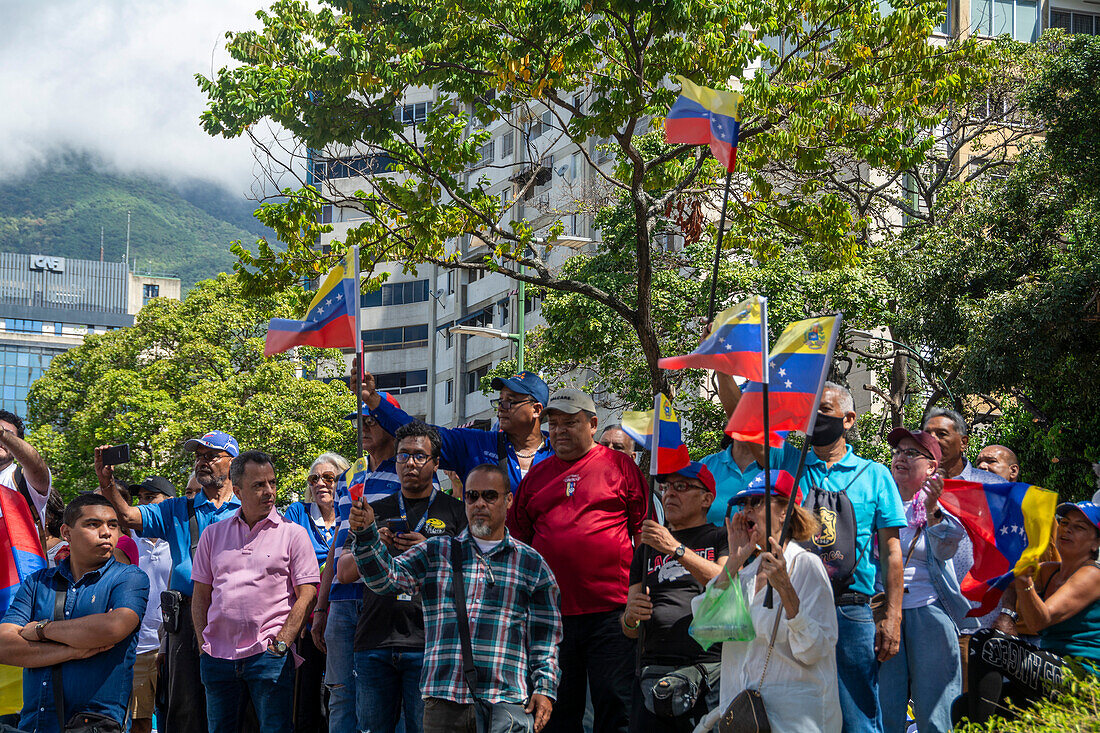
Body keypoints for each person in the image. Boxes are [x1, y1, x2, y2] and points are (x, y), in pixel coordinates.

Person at [349, 463, 563, 733]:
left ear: (508, 500)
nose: (480, 503)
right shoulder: (437, 550)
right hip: (445, 699)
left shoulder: (532, 564)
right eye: (472, 496)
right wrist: (366, 534)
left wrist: (544, 688)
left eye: (490, 496)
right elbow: (384, 580)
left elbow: (546, 640)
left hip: (506, 703)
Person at [769, 381, 905, 733]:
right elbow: (748, 423)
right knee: (800, 715)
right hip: (797, 605)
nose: (816, 418)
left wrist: (893, 617)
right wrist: (726, 366)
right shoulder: (790, 465)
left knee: (858, 717)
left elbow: (892, 552)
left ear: (849, 419)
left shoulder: (876, 475)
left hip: (853, 611)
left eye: (824, 411)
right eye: (811, 411)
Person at [510, 388, 647, 733]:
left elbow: (644, 534)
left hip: (612, 613)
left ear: (593, 424)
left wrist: (639, 592)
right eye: (553, 424)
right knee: (556, 711)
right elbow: (518, 544)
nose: (559, 431)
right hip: (552, 616)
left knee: (615, 707)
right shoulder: (535, 478)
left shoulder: (622, 466)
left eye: (570, 422)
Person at [95, 430, 243, 733]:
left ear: (234, 463)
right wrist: (107, 483)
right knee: (185, 705)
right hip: (187, 617)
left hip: (236, 615)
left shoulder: (247, 508)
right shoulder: (178, 507)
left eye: (211, 455)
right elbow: (128, 517)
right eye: (199, 456)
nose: (202, 462)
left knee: (237, 703)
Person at [336, 422, 466, 733]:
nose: (410, 463)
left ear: (436, 462)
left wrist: (432, 550)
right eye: (403, 455)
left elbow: (471, 573)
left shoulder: (456, 511)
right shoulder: (373, 510)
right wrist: (371, 540)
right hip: (374, 640)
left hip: (429, 644)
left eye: (420, 456)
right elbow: (343, 572)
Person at [697, 470, 841, 733]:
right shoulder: (746, 574)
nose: (747, 511)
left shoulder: (805, 565)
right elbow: (706, 630)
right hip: (746, 721)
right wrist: (734, 561)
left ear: (785, 512)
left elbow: (815, 650)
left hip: (795, 721)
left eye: (758, 502)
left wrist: (786, 589)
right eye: (744, 504)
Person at [192, 450, 320, 733]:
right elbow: (200, 595)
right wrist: (204, 645)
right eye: (259, 485)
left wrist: (283, 643)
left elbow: (308, 594)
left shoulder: (293, 533)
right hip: (218, 658)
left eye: (272, 483)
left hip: (269, 656)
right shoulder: (212, 535)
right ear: (237, 490)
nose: (269, 491)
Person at [0, 494, 149, 733]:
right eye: (93, 524)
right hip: (35, 724)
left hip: (96, 725)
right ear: (66, 532)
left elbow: (113, 627)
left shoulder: (129, 578)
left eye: (113, 525)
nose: (106, 532)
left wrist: (40, 630)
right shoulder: (38, 582)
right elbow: (3, 646)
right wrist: (73, 651)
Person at [953, 500, 1100, 724]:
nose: (1067, 529)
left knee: (988, 643)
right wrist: (1009, 609)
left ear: (1095, 543)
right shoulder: (1049, 570)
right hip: (1052, 667)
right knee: (962, 707)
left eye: (1079, 527)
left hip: (1082, 677)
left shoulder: (1092, 574)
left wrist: (1024, 581)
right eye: (1065, 523)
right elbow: (1010, 582)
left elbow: (1039, 621)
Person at [878, 428, 974, 733]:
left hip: (928, 612)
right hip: (881, 614)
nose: (900, 457)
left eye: (911, 453)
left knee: (936, 712)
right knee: (884, 711)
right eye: (897, 451)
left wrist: (933, 510)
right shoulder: (876, 502)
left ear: (932, 466)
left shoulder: (942, 507)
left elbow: (946, 547)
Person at [621, 462, 727, 733]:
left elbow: (724, 584)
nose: (669, 494)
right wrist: (631, 617)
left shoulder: (719, 537)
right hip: (653, 670)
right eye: (666, 487)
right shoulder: (646, 548)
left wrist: (675, 548)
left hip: (707, 671)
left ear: (707, 498)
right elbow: (630, 629)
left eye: (681, 487)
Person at [313, 410, 399, 733]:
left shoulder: (407, 471)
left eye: (372, 421)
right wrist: (322, 607)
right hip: (342, 602)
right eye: (358, 421)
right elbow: (338, 539)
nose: (363, 428)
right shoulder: (351, 475)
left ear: (391, 426)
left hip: (381, 597)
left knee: (377, 695)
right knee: (340, 693)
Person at [361, 368, 553, 493]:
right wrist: (373, 400)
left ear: (536, 410)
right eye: (500, 400)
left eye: (510, 401)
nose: (501, 407)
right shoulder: (474, 445)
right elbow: (419, 434)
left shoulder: (559, 453)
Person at [285, 452, 348, 732]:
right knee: (306, 698)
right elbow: (285, 560)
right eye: (314, 478)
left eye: (328, 477)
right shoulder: (297, 513)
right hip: (306, 617)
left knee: (341, 693)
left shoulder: (350, 514)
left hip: (345, 615)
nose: (320, 483)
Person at [127, 476, 175, 733]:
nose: (143, 504)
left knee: (179, 717)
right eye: (140, 498)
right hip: (138, 646)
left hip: (174, 643)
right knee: (140, 722)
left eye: (150, 498)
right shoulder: (128, 539)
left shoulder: (180, 536)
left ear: (168, 502)